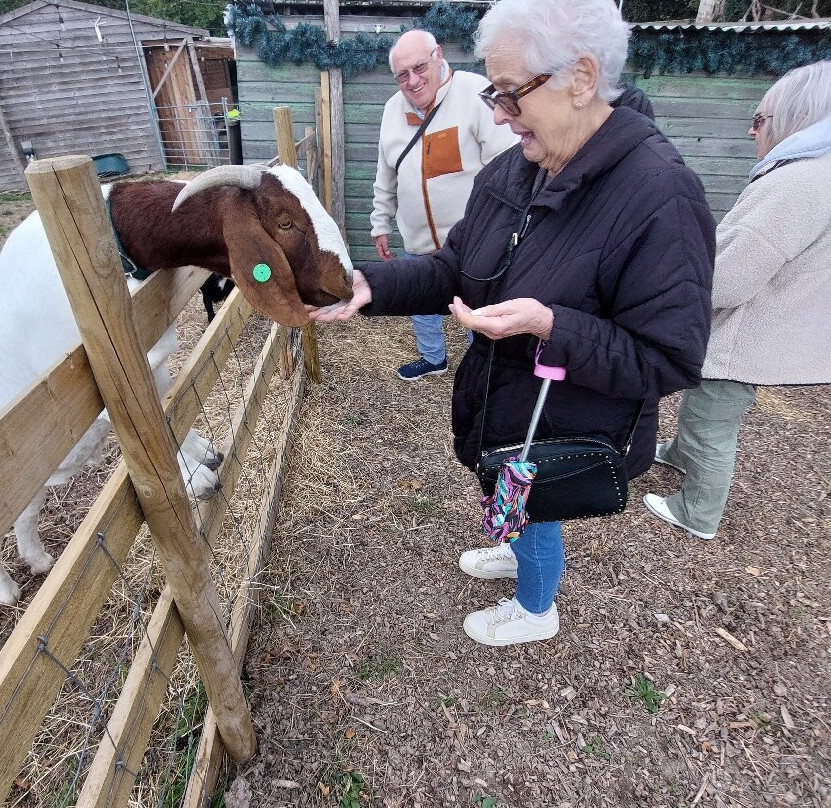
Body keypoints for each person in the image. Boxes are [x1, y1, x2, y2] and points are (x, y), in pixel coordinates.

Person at [310, 0, 714, 647]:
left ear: (580, 78)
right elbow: (453, 267)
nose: (495, 112)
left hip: (561, 417)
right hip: (507, 400)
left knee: (538, 508)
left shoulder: (659, 196)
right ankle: (514, 541)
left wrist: (549, 323)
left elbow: (667, 360)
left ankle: (534, 610)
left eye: (508, 93)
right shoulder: (514, 168)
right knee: (515, 496)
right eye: (493, 91)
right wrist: (366, 284)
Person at [644, 61, 831, 541]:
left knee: (713, 419)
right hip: (767, 323)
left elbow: (731, 278)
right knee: (702, 400)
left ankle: (697, 512)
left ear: (795, 119)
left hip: (749, 332)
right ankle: (681, 453)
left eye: (760, 119)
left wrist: (676, 282)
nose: (751, 130)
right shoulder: (813, 173)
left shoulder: (797, 183)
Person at [371, 30, 518, 381]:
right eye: (402, 75)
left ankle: (478, 363)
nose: (412, 80)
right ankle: (432, 357)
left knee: (478, 305)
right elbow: (385, 173)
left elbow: (508, 165)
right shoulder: (392, 109)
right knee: (420, 301)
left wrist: (501, 227)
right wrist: (380, 223)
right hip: (418, 239)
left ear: (438, 55)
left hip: (473, 240)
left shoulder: (473, 92)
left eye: (419, 67)